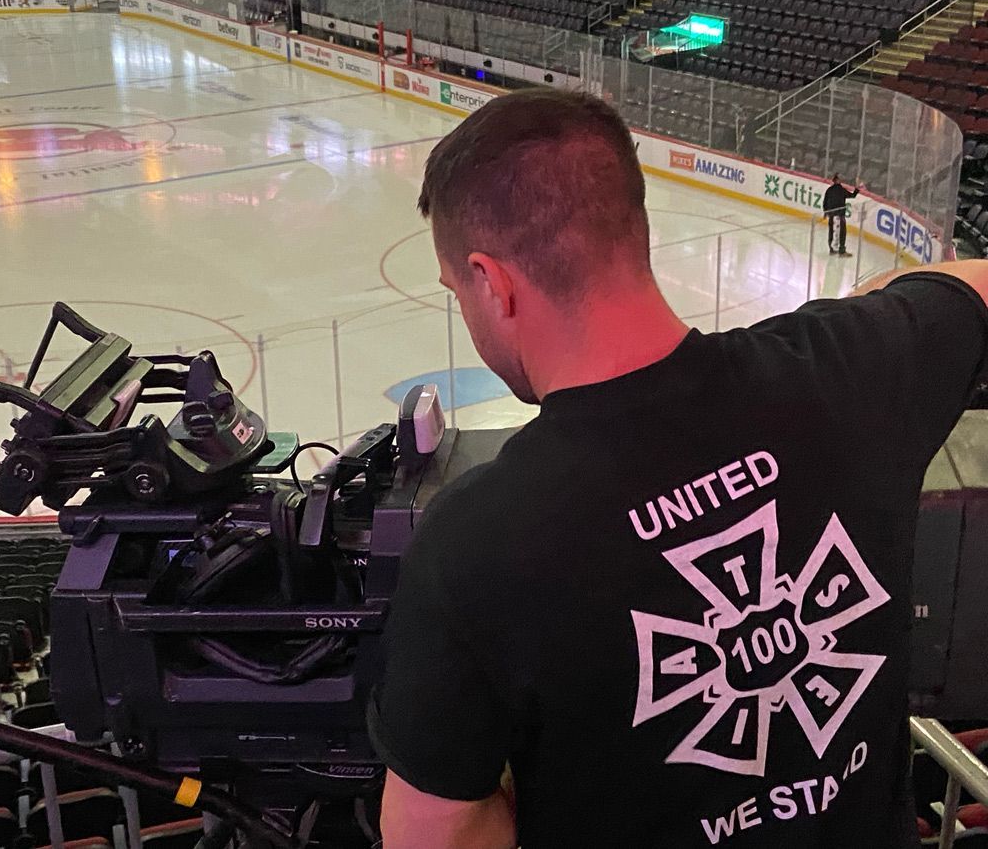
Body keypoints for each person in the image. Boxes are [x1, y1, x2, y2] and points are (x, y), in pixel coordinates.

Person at [368, 87, 988, 849]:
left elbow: (434, 835)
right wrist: (852, 321)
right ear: (633, 228)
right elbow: (976, 286)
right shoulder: (853, 371)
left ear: (492, 283)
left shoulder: (474, 542)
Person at [823, 174, 861, 256]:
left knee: (832, 232)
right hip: (839, 216)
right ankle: (841, 250)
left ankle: (832, 249)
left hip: (832, 215)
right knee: (842, 232)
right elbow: (852, 195)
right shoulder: (841, 190)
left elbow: (825, 202)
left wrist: (826, 212)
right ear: (838, 180)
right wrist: (857, 188)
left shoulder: (829, 190)